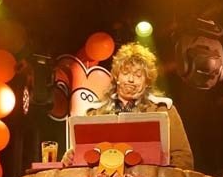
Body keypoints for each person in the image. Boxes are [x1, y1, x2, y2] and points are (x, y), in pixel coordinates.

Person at [63, 43, 194, 170]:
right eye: (125, 73)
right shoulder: (94, 113)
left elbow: (183, 158)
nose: (131, 79)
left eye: (138, 75)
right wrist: (72, 157)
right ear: (117, 77)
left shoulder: (164, 109)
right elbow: (84, 155)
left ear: (147, 82)